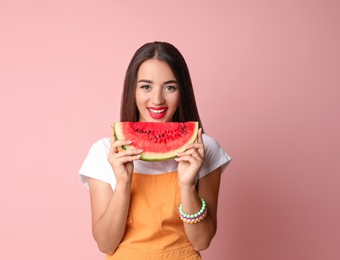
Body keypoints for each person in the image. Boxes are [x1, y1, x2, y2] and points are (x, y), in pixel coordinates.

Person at [79, 41, 231, 260]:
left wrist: (187, 186)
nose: (157, 99)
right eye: (146, 86)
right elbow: (106, 244)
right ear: (132, 90)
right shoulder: (105, 151)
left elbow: (202, 241)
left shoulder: (204, 148)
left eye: (170, 87)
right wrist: (123, 183)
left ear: (182, 91)